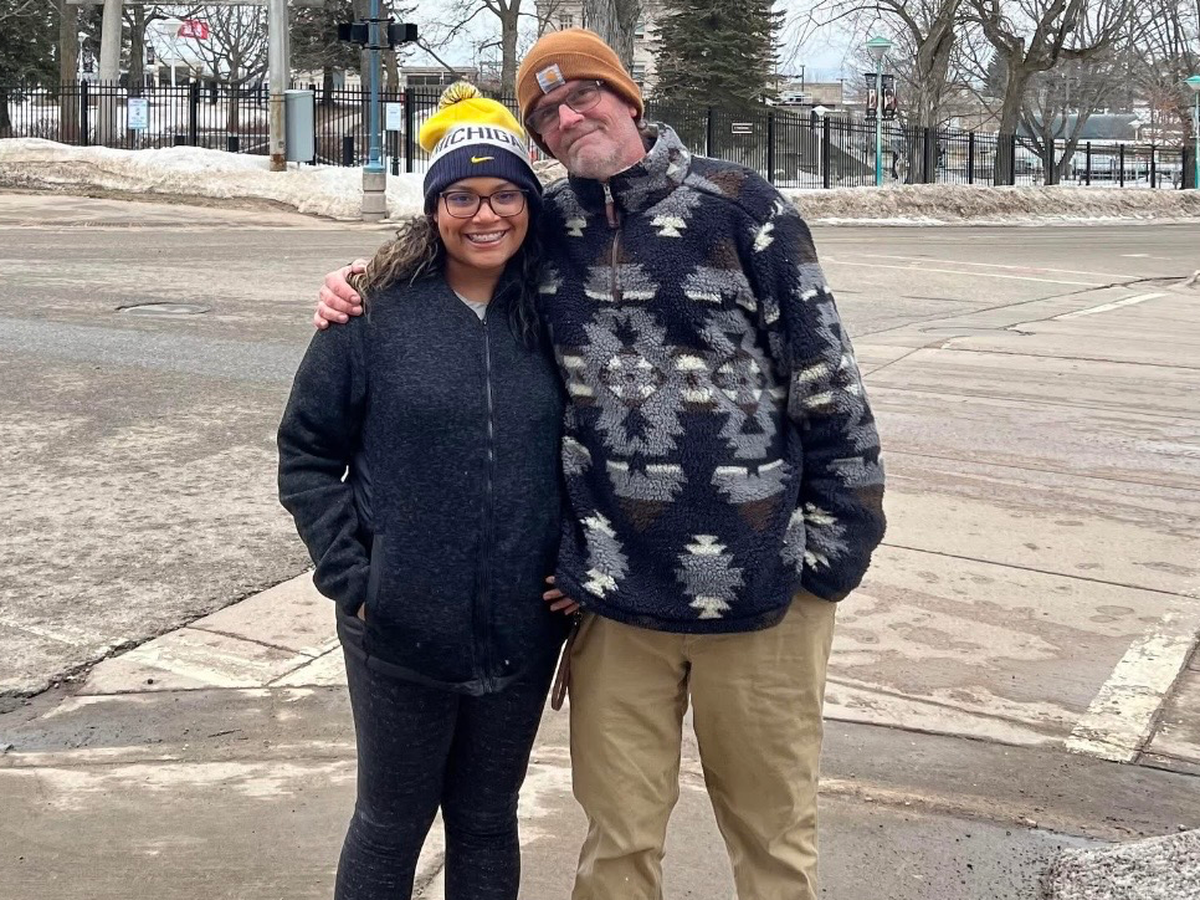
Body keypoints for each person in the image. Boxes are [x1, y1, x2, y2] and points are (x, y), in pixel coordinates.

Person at [315, 29, 886, 900]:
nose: (570, 117)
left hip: (763, 592)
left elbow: (829, 386)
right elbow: (458, 245)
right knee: (616, 844)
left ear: (627, 97)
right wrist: (361, 281)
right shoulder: (549, 226)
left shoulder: (742, 206)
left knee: (771, 840)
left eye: (583, 94)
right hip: (614, 602)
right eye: (547, 113)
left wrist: (828, 563)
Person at [278, 82, 572, 900]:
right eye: (462, 196)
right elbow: (306, 454)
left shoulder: (559, 311)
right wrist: (357, 578)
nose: (486, 215)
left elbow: (596, 446)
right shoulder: (372, 312)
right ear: (434, 207)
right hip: (397, 630)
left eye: (505, 193)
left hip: (523, 629)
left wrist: (578, 561)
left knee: (487, 820)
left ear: (528, 201)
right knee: (390, 824)